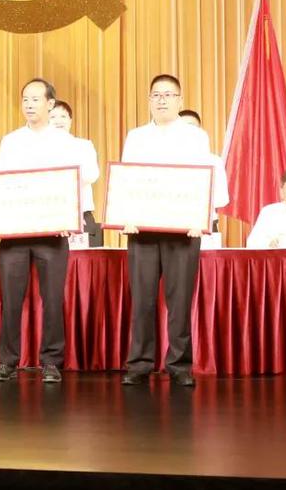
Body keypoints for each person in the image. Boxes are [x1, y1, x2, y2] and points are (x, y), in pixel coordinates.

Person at [0, 78, 84, 385]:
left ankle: (52, 361)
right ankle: (7, 361)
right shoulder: (11, 141)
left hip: (52, 233)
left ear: (50, 104)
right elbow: (1, 183)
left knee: (52, 298)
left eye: (35, 99)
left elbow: (72, 184)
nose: (29, 105)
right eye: (25, 99)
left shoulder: (65, 142)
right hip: (15, 233)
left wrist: (67, 217)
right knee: (11, 299)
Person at [120, 75, 208, 388]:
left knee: (179, 301)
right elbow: (127, 179)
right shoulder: (136, 137)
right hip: (142, 229)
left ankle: (179, 365)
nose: (161, 100)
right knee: (142, 300)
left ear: (180, 101)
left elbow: (202, 178)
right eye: (156, 95)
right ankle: (140, 363)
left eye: (168, 95)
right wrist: (125, 217)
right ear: (149, 100)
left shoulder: (195, 137)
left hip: (183, 230)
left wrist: (199, 218)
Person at [49, 100, 102, 246]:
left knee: (82, 258)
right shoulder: (40, 148)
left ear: (70, 120)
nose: (58, 121)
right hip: (49, 215)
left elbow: (91, 174)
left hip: (81, 214)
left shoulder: (84, 145)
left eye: (63, 116)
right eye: (53, 117)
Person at [178, 109, 230, 238]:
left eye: (192, 127)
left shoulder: (214, 161)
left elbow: (222, 198)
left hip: (205, 226)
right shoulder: (165, 160)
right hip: (173, 226)